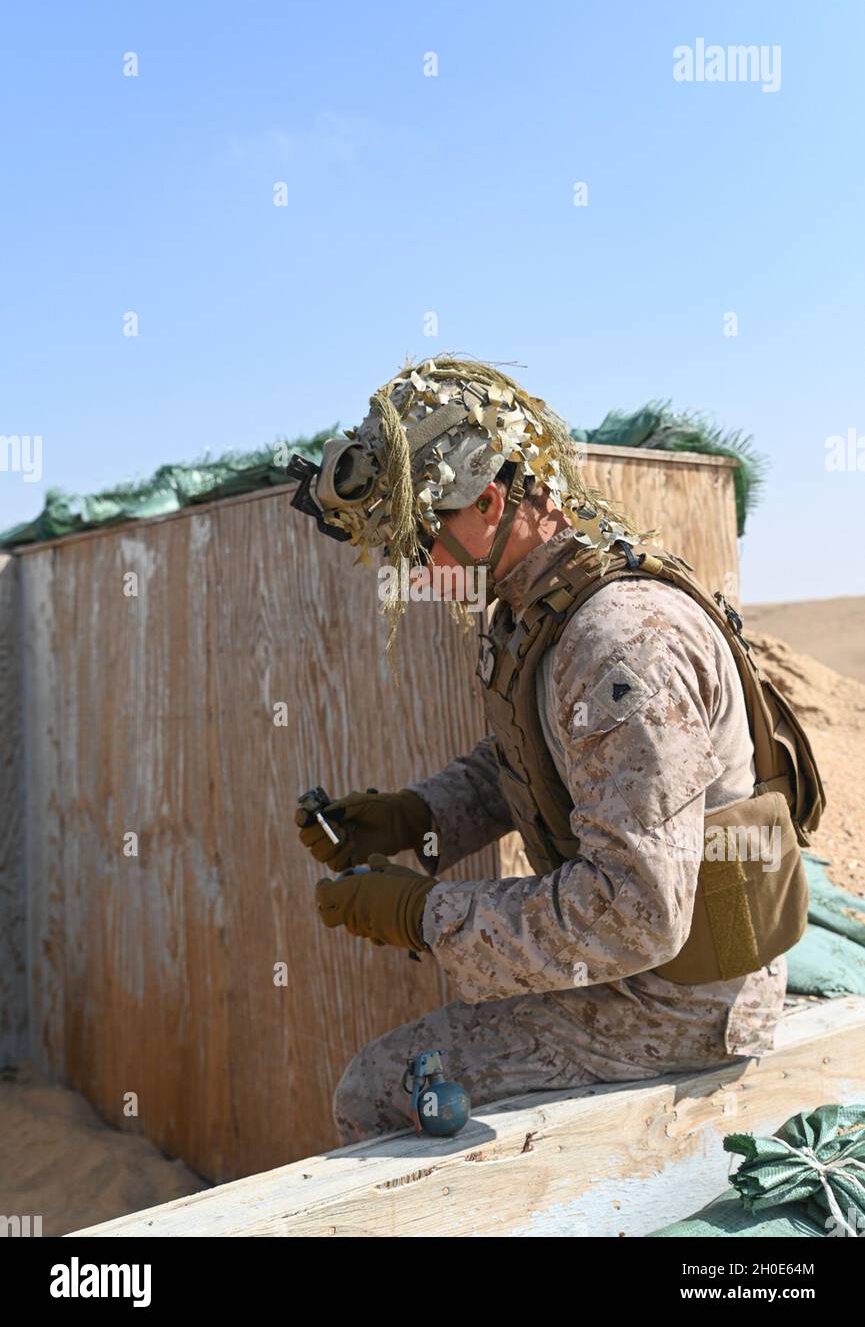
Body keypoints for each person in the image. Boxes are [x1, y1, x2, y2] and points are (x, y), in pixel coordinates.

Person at [292, 357, 824, 1144]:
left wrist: (423, 917)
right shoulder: (536, 606)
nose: (415, 571)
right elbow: (532, 756)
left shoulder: (620, 647)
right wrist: (414, 815)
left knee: (379, 1088)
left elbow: (633, 913)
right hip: (639, 966)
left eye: (422, 542)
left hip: (682, 1002)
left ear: (490, 501)